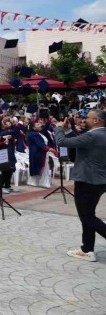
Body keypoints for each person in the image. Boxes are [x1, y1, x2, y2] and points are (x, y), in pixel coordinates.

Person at [54, 111, 106, 262]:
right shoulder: (99, 135)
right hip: (99, 181)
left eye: (88, 117)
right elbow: (79, 141)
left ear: (96, 120)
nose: (85, 120)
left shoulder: (93, 135)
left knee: (87, 216)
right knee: (88, 214)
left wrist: (58, 128)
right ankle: (87, 249)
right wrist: (69, 130)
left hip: (87, 181)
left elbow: (61, 142)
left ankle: (87, 248)